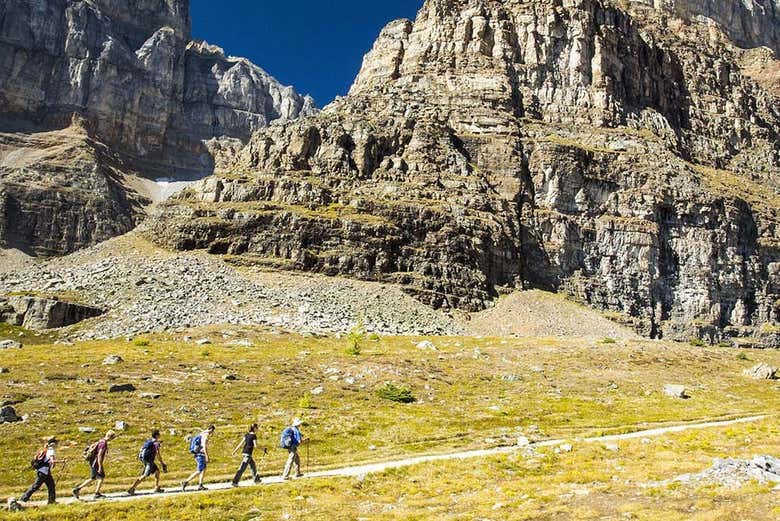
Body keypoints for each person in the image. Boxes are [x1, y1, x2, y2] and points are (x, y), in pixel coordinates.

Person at [12, 437, 60, 508]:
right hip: (43, 472)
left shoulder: (45, 450)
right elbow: (52, 461)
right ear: (53, 444)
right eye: (56, 443)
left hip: (44, 472)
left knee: (51, 486)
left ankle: (51, 501)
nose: (57, 445)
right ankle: (23, 499)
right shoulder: (51, 450)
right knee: (36, 486)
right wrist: (62, 461)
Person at [73, 430, 116, 500]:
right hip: (95, 462)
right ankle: (95, 493)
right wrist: (100, 466)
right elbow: (99, 455)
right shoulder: (104, 443)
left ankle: (79, 489)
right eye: (113, 437)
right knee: (99, 477)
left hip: (93, 461)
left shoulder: (100, 441)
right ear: (111, 437)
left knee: (96, 477)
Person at [127, 429, 167, 496]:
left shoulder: (149, 441)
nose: (160, 435)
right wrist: (162, 463)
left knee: (157, 471)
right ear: (157, 435)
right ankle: (132, 488)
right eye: (159, 434)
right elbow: (158, 454)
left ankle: (156, 487)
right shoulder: (156, 443)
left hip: (146, 460)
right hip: (149, 461)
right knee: (144, 476)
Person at [181, 425, 215, 491]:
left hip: (198, 454)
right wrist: (207, 456)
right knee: (199, 470)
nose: (212, 433)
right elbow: (204, 446)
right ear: (211, 430)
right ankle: (185, 482)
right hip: (201, 454)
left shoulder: (202, 433)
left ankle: (200, 485)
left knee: (204, 469)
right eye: (213, 431)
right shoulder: (206, 435)